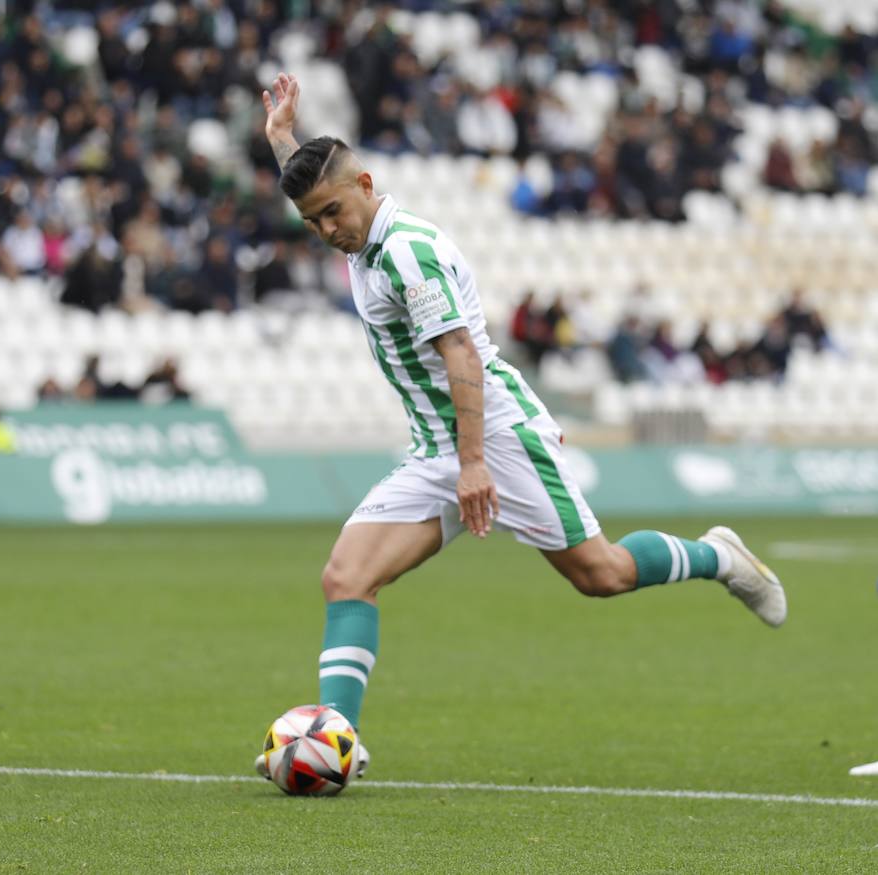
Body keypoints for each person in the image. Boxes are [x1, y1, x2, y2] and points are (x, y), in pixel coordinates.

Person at [253, 73, 785, 781]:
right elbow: (317, 179)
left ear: (367, 186)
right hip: (437, 446)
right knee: (347, 576)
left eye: (330, 214)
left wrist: (475, 463)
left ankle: (720, 557)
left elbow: (461, 353)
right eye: (313, 221)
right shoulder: (357, 231)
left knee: (601, 573)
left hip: (497, 435)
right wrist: (283, 138)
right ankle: (337, 739)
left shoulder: (407, 251)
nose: (325, 232)